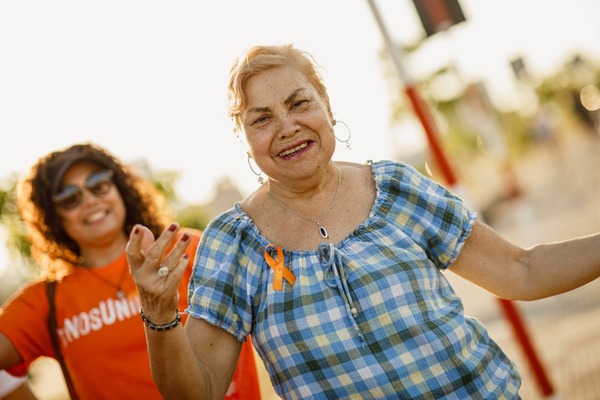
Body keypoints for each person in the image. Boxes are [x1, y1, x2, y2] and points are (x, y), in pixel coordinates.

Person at [125, 44, 600, 400]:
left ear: (327, 106)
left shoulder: (396, 187)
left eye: (298, 103)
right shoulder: (231, 242)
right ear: (245, 138)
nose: (287, 126)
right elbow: (198, 391)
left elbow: (521, 271)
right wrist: (159, 312)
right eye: (262, 119)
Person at [0, 143, 261, 399]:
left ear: (120, 189)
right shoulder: (46, 300)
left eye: (98, 185)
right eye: (70, 198)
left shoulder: (190, 250)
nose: (90, 200)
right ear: (53, 217)